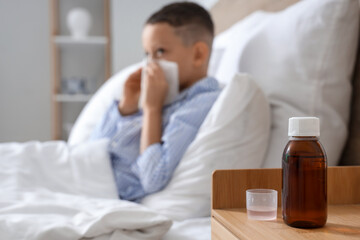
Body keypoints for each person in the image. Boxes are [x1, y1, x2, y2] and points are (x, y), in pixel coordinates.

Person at [91, 2, 221, 202]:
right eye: (147, 53)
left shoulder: (201, 103)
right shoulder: (164, 93)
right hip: (86, 174)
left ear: (198, 54)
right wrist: (127, 106)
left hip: (106, 190)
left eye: (160, 51)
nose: (150, 63)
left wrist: (152, 110)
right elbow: (92, 148)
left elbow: (152, 178)